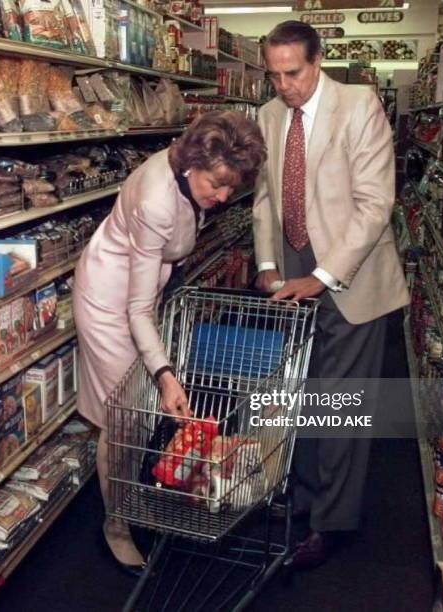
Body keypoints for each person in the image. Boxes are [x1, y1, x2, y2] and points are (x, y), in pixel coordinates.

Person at [73, 111, 266, 576]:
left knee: (136, 413)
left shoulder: (192, 173)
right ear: (191, 164)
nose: (221, 197)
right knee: (124, 415)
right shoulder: (156, 201)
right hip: (109, 301)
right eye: (215, 185)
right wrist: (164, 374)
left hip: (142, 292)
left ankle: (129, 492)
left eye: (230, 187)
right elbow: (135, 309)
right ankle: (116, 526)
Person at [253, 21, 409, 569]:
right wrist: (269, 264)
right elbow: (265, 197)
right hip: (293, 264)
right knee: (302, 391)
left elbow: (374, 204)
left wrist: (323, 276)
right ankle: (302, 496)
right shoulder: (270, 116)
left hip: (350, 272)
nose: (285, 85)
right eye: (274, 75)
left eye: (293, 72)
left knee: (340, 405)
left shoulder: (360, 105)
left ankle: (332, 523)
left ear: (318, 62)